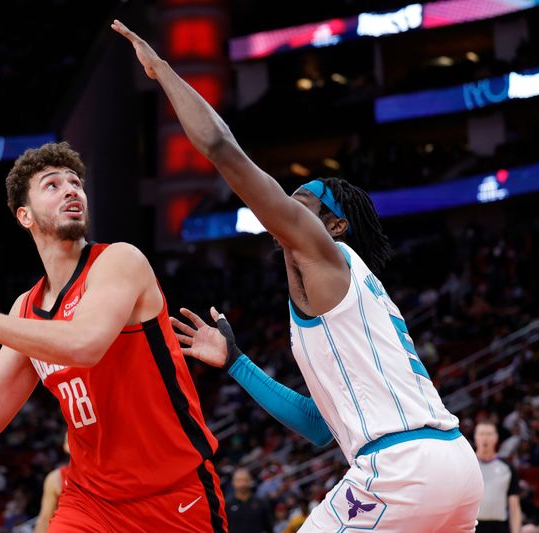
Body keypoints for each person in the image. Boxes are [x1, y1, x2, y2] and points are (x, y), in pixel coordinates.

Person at [112, 19, 484, 532]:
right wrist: (238, 362)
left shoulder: (329, 256)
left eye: (303, 202)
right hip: (453, 468)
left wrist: (164, 73)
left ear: (334, 225)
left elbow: (224, 150)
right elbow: (316, 425)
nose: (288, 205)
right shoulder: (340, 305)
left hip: (402, 468)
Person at [0, 141, 228, 532]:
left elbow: (84, 344)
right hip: (91, 500)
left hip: (173, 495)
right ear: (24, 216)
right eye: (52, 184)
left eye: (75, 182)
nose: (71, 189)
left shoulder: (119, 261)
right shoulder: (25, 308)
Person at [475, 421, 522, 533]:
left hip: (498, 526)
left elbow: (514, 507)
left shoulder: (506, 467)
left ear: (496, 438)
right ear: (476, 437)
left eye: (489, 434)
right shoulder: (467, 464)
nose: (485, 438)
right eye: (481, 434)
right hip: (472, 526)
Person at [34, 432, 70, 532]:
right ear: (65, 446)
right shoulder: (55, 478)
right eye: (68, 441)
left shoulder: (107, 474)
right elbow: (45, 518)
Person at [226, 467, 274, 533]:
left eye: (245, 480)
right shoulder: (227, 505)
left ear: (250, 481)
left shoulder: (261, 503)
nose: (242, 484)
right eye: (238, 480)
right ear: (233, 483)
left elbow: (269, 528)